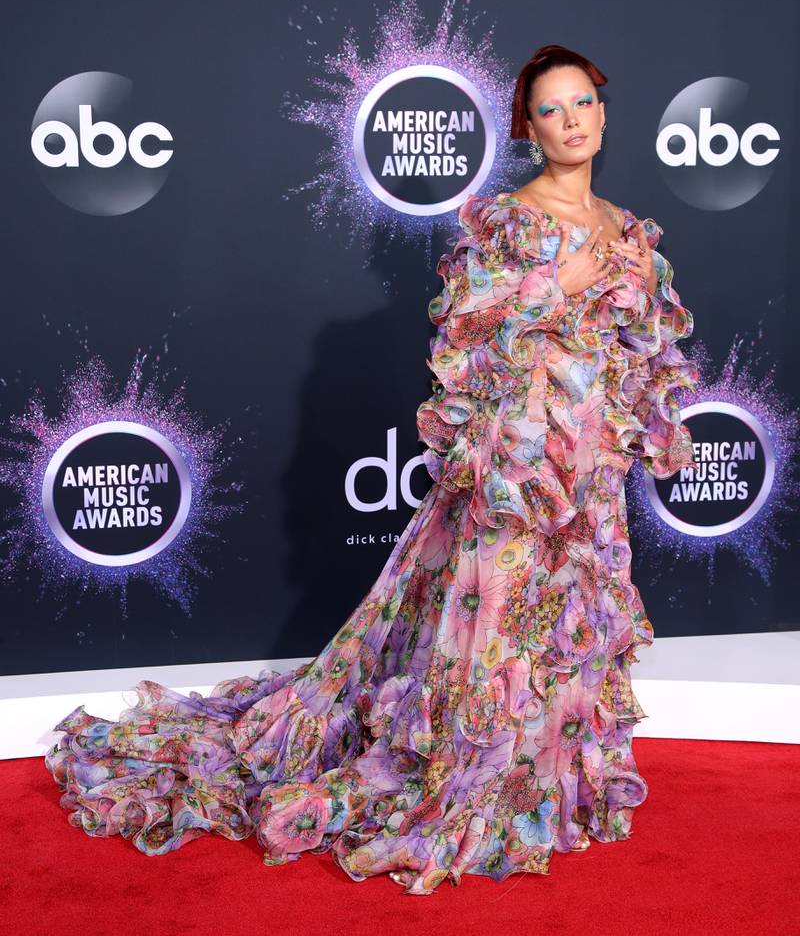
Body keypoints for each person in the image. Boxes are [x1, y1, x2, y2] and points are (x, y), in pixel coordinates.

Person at [44, 44, 699, 896]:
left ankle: (547, 783)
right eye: (552, 109)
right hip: (518, 462)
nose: (572, 120)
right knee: (499, 625)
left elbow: (646, 350)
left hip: (592, 471)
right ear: (529, 129)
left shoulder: (629, 227)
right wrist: (561, 283)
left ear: (604, 116)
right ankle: (477, 782)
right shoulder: (507, 221)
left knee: (570, 622)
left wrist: (652, 417)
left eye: (583, 104)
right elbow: (468, 334)